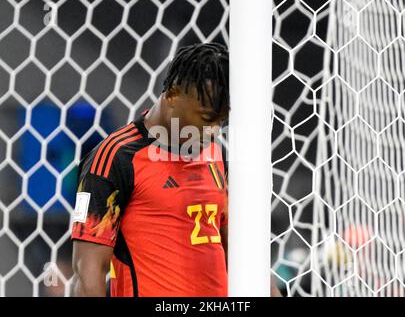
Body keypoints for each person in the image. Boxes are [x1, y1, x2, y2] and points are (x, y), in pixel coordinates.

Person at [71, 42, 281, 297]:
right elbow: (88, 272)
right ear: (172, 95)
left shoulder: (214, 153)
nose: (214, 130)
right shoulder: (115, 158)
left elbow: (240, 250)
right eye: (206, 118)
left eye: (221, 120)